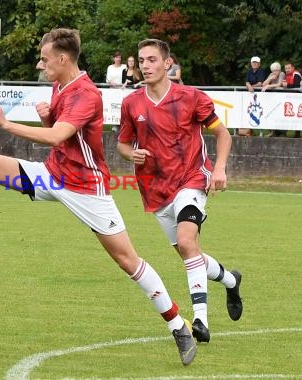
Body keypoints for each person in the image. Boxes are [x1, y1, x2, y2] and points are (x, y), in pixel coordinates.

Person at [0, 28, 197, 366]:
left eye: (44, 59)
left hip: (86, 187)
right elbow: (61, 130)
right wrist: (47, 114)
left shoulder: (87, 93)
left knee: (128, 261)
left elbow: (58, 135)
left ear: (62, 58)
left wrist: (8, 124)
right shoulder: (58, 85)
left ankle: (178, 326)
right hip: (53, 174)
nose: (40, 65)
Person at [117, 38, 243, 345]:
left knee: (188, 242)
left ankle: (200, 321)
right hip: (156, 190)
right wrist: (129, 154)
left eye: (151, 60)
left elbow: (222, 134)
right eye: (141, 60)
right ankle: (230, 279)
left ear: (167, 64)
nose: (145, 65)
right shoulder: (131, 103)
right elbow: (122, 143)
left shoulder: (190, 97)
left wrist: (220, 169)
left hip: (191, 179)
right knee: (189, 253)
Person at [282, 61, 302, 138]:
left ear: (293, 68)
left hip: (298, 98)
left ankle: (297, 132)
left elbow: (296, 85)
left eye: (289, 68)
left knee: (297, 115)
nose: (287, 69)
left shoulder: (296, 74)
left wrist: (287, 85)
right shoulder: (286, 75)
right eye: (286, 68)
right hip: (290, 98)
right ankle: (285, 132)